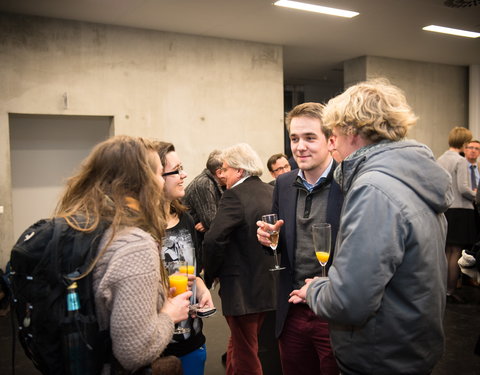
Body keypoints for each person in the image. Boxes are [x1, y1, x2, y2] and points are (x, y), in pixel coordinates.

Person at [289, 79, 452, 375]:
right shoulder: (412, 178)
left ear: (352, 131)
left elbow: (350, 301)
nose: (332, 142)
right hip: (411, 346)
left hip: (381, 356)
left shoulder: (374, 189)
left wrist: (317, 289)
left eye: (334, 132)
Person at [54, 135, 191, 373]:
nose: (161, 182)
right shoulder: (134, 244)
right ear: (141, 181)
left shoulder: (83, 225)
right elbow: (134, 352)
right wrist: (169, 315)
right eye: (160, 174)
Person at [257, 102, 342, 375]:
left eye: (309, 137)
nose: (300, 146)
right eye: (294, 138)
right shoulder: (283, 183)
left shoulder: (350, 183)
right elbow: (280, 241)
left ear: (331, 141)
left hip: (334, 312)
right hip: (292, 308)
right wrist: (268, 238)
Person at [203, 143, 277, 375]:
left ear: (240, 170)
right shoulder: (271, 191)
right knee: (239, 344)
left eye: (225, 168)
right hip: (268, 285)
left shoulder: (234, 195)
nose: (221, 174)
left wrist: (209, 275)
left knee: (246, 355)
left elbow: (213, 239)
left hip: (242, 290)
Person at [153, 141, 214, 375]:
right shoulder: (139, 230)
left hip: (192, 341)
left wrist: (202, 289)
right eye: (176, 170)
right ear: (155, 178)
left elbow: (192, 273)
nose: (184, 174)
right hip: (156, 350)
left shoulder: (186, 219)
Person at [437, 127, 476, 303]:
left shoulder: (440, 159)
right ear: (464, 142)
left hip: (446, 209)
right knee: (456, 252)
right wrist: (477, 195)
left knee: (446, 252)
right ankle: (450, 290)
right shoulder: (460, 162)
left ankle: (443, 290)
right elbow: (463, 188)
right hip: (461, 210)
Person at [183, 150, 225, 241]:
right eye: (228, 168)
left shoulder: (217, 182)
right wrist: (209, 225)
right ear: (219, 173)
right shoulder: (204, 183)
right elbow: (213, 223)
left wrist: (208, 225)